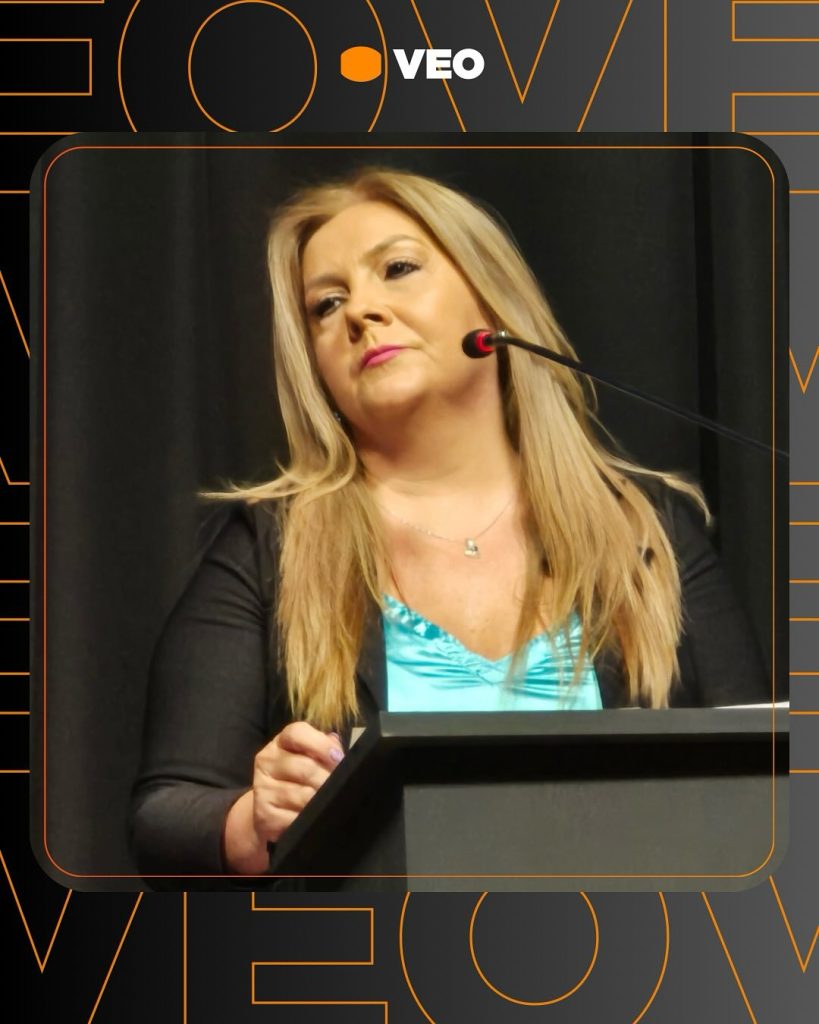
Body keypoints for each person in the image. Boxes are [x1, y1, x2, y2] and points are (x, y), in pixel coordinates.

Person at [129, 167, 768, 879]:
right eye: (326, 304)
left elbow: (768, 787)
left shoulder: (648, 534)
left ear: (490, 297)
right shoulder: (269, 549)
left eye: (397, 269)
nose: (360, 312)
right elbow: (164, 816)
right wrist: (251, 821)